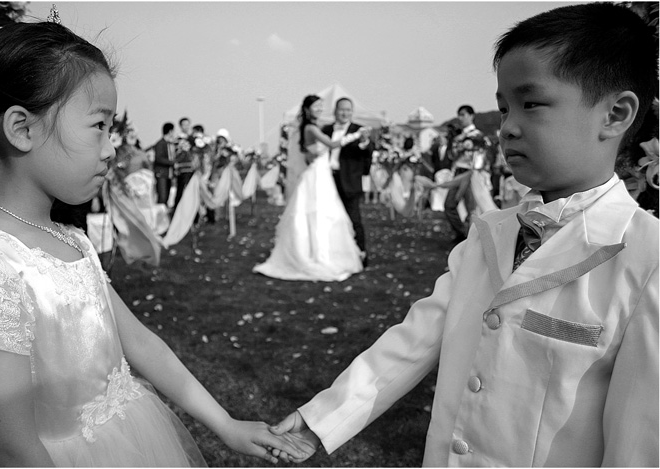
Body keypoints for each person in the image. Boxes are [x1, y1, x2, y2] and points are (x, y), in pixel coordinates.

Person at [271, 3, 658, 466]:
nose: (507, 127)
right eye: (503, 108)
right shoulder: (488, 234)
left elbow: (639, 440)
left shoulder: (646, 259)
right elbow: (414, 340)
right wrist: (322, 418)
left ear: (615, 114)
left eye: (531, 104)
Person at [0, 19, 305, 466]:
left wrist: (226, 424)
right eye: (98, 126)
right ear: (22, 129)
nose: (110, 149)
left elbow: (140, 344)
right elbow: (13, 449)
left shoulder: (72, 239)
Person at [253, 95, 368, 282]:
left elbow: (309, 153)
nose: (320, 109)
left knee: (333, 215)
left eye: (321, 106)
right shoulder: (312, 128)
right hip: (317, 176)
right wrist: (356, 135)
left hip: (324, 174)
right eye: (316, 106)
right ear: (307, 109)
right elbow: (331, 144)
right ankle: (315, 253)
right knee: (317, 213)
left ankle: (330, 252)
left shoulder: (312, 128)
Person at [321, 97, 374, 266]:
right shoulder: (326, 130)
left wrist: (364, 142)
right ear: (335, 111)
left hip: (349, 181)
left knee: (353, 219)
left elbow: (367, 152)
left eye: (348, 110)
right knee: (328, 218)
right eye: (342, 109)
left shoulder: (359, 130)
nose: (345, 113)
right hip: (327, 180)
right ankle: (332, 253)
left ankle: (360, 254)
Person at [444, 105, 486, 243]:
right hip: (458, 171)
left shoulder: (477, 135)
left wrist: (476, 173)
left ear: (471, 115)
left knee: (471, 207)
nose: (460, 118)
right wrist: (452, 141)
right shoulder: (458, 136)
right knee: (449, 205)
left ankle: (471, 238)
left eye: (463, 115)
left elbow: (481, 156)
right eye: (459, 115)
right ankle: (462, 233)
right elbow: (451, 156)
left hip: (470, 172)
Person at [153, 121, 177, 207]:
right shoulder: (160, 143)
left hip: (168, 174)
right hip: (161, 173)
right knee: (162, 197)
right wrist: (172, 162)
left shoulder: (169, 144)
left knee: (166, 196)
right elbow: (158, 158)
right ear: (170, 131)